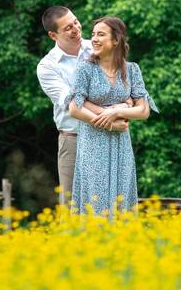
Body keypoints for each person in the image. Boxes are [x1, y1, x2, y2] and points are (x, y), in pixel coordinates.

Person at [64, 16, 158, 216]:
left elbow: (143, 110)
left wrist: (116, 111)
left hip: (122, 145)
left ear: (116, 40)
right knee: (96, 202)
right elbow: (74, 108)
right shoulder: (85, 69)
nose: (94, 39)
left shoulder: (132, 70)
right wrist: (108, 123)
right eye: (93, 34)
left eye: (101, 34)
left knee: (122, 199)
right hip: (92, 144)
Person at [36, 6, 131, 203]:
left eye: (76, 22)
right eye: (68, 28)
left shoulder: (100, 46)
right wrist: (110, 116)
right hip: (74, 140)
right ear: (53, 35)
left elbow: (126, 90)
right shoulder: (47, 67)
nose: (76, 29)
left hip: (109, 138)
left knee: (114, 203)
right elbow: (73, 103)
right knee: (73, 207)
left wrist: (121, 109)